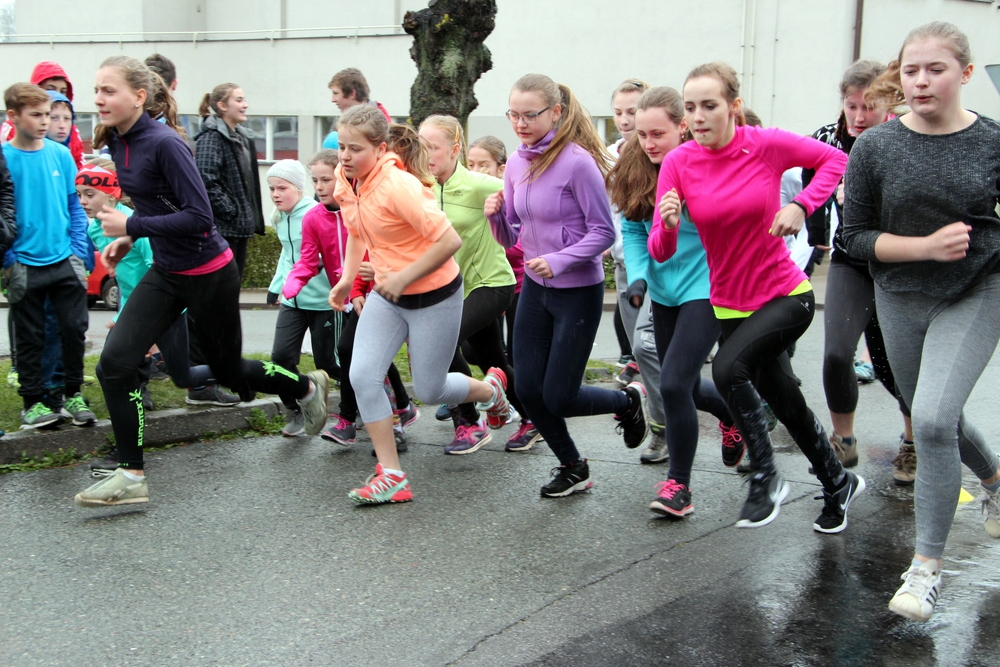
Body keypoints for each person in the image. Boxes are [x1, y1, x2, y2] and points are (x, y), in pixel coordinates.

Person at [73, 56, 329, 507]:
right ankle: (130, 474)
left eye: (108, 90)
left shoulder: (165, 144)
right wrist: (129, 241)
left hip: (209, 274)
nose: (98, 99)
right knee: (113, 363)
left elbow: (198, 217)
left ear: (138, 96)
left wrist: (131, 227)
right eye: (96, 90)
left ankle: (306, 387)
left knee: (228, 370)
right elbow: (156, 205)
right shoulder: (117, 140)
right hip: (167, 272)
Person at [653, 62, 864, 532]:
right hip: (730, 304)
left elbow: (836, 161)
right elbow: (660, 251)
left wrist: (801, 205)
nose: (699, 117)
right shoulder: (678, 163)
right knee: (786, 402)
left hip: (785, 295)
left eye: (709, 105)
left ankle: (766, 477)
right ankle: (838, 482)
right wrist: (667, 225)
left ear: (734, 106)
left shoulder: (764, 145)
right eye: (690, 108)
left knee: (727, 370)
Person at [841, 21, 1000, 622]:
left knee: (930, 420)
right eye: (911, 70)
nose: (922, 81)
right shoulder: (876, 147)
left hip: (977, 287)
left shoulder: (992, 141)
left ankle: (925, 569)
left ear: (965, 73)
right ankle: (995, 481)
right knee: (938, 416)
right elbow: (854, 237)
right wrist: (924, 247)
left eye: (936, 69)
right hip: (901, 293)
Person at [327, 106, 510, 505]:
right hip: (389, 295)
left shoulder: (399, 186)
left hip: (435, 294)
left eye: (355, 149)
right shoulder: (347, 178)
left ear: (380, 149)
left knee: (431, 389)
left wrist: (403, 277)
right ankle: (392, 476)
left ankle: (492, 390)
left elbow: (449, 241)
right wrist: (347, 279)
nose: (345, 156)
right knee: (362, 376)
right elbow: (356, 231)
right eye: (341, 147)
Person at [485, 73, 647, 498]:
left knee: (559, 396)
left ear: (555, 112)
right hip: (535, 290)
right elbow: (510, 236)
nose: (520, 124)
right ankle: (573, 466)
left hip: (577, 292)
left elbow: (603, 232)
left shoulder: (578, 162)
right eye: (513, 115)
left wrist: (559, 260)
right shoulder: (516, 162)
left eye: (530, 115)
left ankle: (628, 402)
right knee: (527, 389)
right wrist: (495, 216)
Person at [607, 86, 738, 516]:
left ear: (682, 127)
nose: (648, 143)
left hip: (706, 285)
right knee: (680, 383)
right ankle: (731, 413)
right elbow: (632, 230)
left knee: (674, 383)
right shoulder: (635, 166)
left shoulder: (704, 162)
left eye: (657, 134)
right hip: (663, 290)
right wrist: (639, 278)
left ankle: (678, 486)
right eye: (642, 134)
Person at [803, 60, 915, 485]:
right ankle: (843, 440)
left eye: (870, 106)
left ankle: (912, 441)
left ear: (889, 104)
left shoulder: (906, 137)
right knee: (836, 353)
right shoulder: (829, 137)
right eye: (852, 106)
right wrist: (816, 231)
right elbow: (808, 174)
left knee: (892, 365)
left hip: (898, 262)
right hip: (850, 259)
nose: (859, 115)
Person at [418, 115, 533, 454]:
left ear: (455, 149)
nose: (426, 155)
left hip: (491, 284)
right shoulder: (420, 187)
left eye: (433, 147)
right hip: (453, 290)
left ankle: (469, 423)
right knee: (492, 360)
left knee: (443, 343)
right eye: (421, 147)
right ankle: (534, 417)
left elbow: (529, 197)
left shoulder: (479, 184)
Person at [2, 83, 94, 430]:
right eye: (37, 115)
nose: (45, 122)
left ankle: (71, 395)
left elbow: (74, 205)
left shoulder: (59, 154)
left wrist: (78, 251)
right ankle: (33, 403)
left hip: (64, 259)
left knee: (73, 330)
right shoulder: (5, 158)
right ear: (13, 116)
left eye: (49, 115)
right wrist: (10, 260)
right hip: (24, 263)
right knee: (30, 336)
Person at [607, 79, 669, 460]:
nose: (626, 120)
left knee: (661, 355)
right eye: (619, 113)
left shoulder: (683, 156)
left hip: (683, 275)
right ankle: (662, 429)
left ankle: (737, 414)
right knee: (647, 355)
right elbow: (627, 224)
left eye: (633, 112)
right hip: (631, 270)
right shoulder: (619, 159)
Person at [265, 159, 345, 437]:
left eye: (282, 188)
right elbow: (287, 255)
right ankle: (298, 409)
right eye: (272, 189)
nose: (276, 195)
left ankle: (361, 402)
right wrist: (277, 285)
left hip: (324, 301)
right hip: (293, 302)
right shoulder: (278, 217)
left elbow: (328, 253)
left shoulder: (315, 213)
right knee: (279, 359)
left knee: (329, 364)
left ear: (299, 189)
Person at [194, 83, 265, 278]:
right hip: (223, 229)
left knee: (232, 286)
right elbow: (205, 180)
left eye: (244, 100)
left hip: (237, 227)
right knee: (222, 287)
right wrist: (231, 211)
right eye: (239, 100)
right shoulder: (211, 138)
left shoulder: (241, 137)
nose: (245, 105)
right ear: (222, 106)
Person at [1, 62, 85, 168]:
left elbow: (78, 164)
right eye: (50, 89)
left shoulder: (69, 132)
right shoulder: (14, 126)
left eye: (63, 91)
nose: (57, 94)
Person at [322, 68, 392, 149]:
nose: (333, 99)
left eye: (336, 93)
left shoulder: (379, 122)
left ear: (352, 93)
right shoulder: (347, 119)